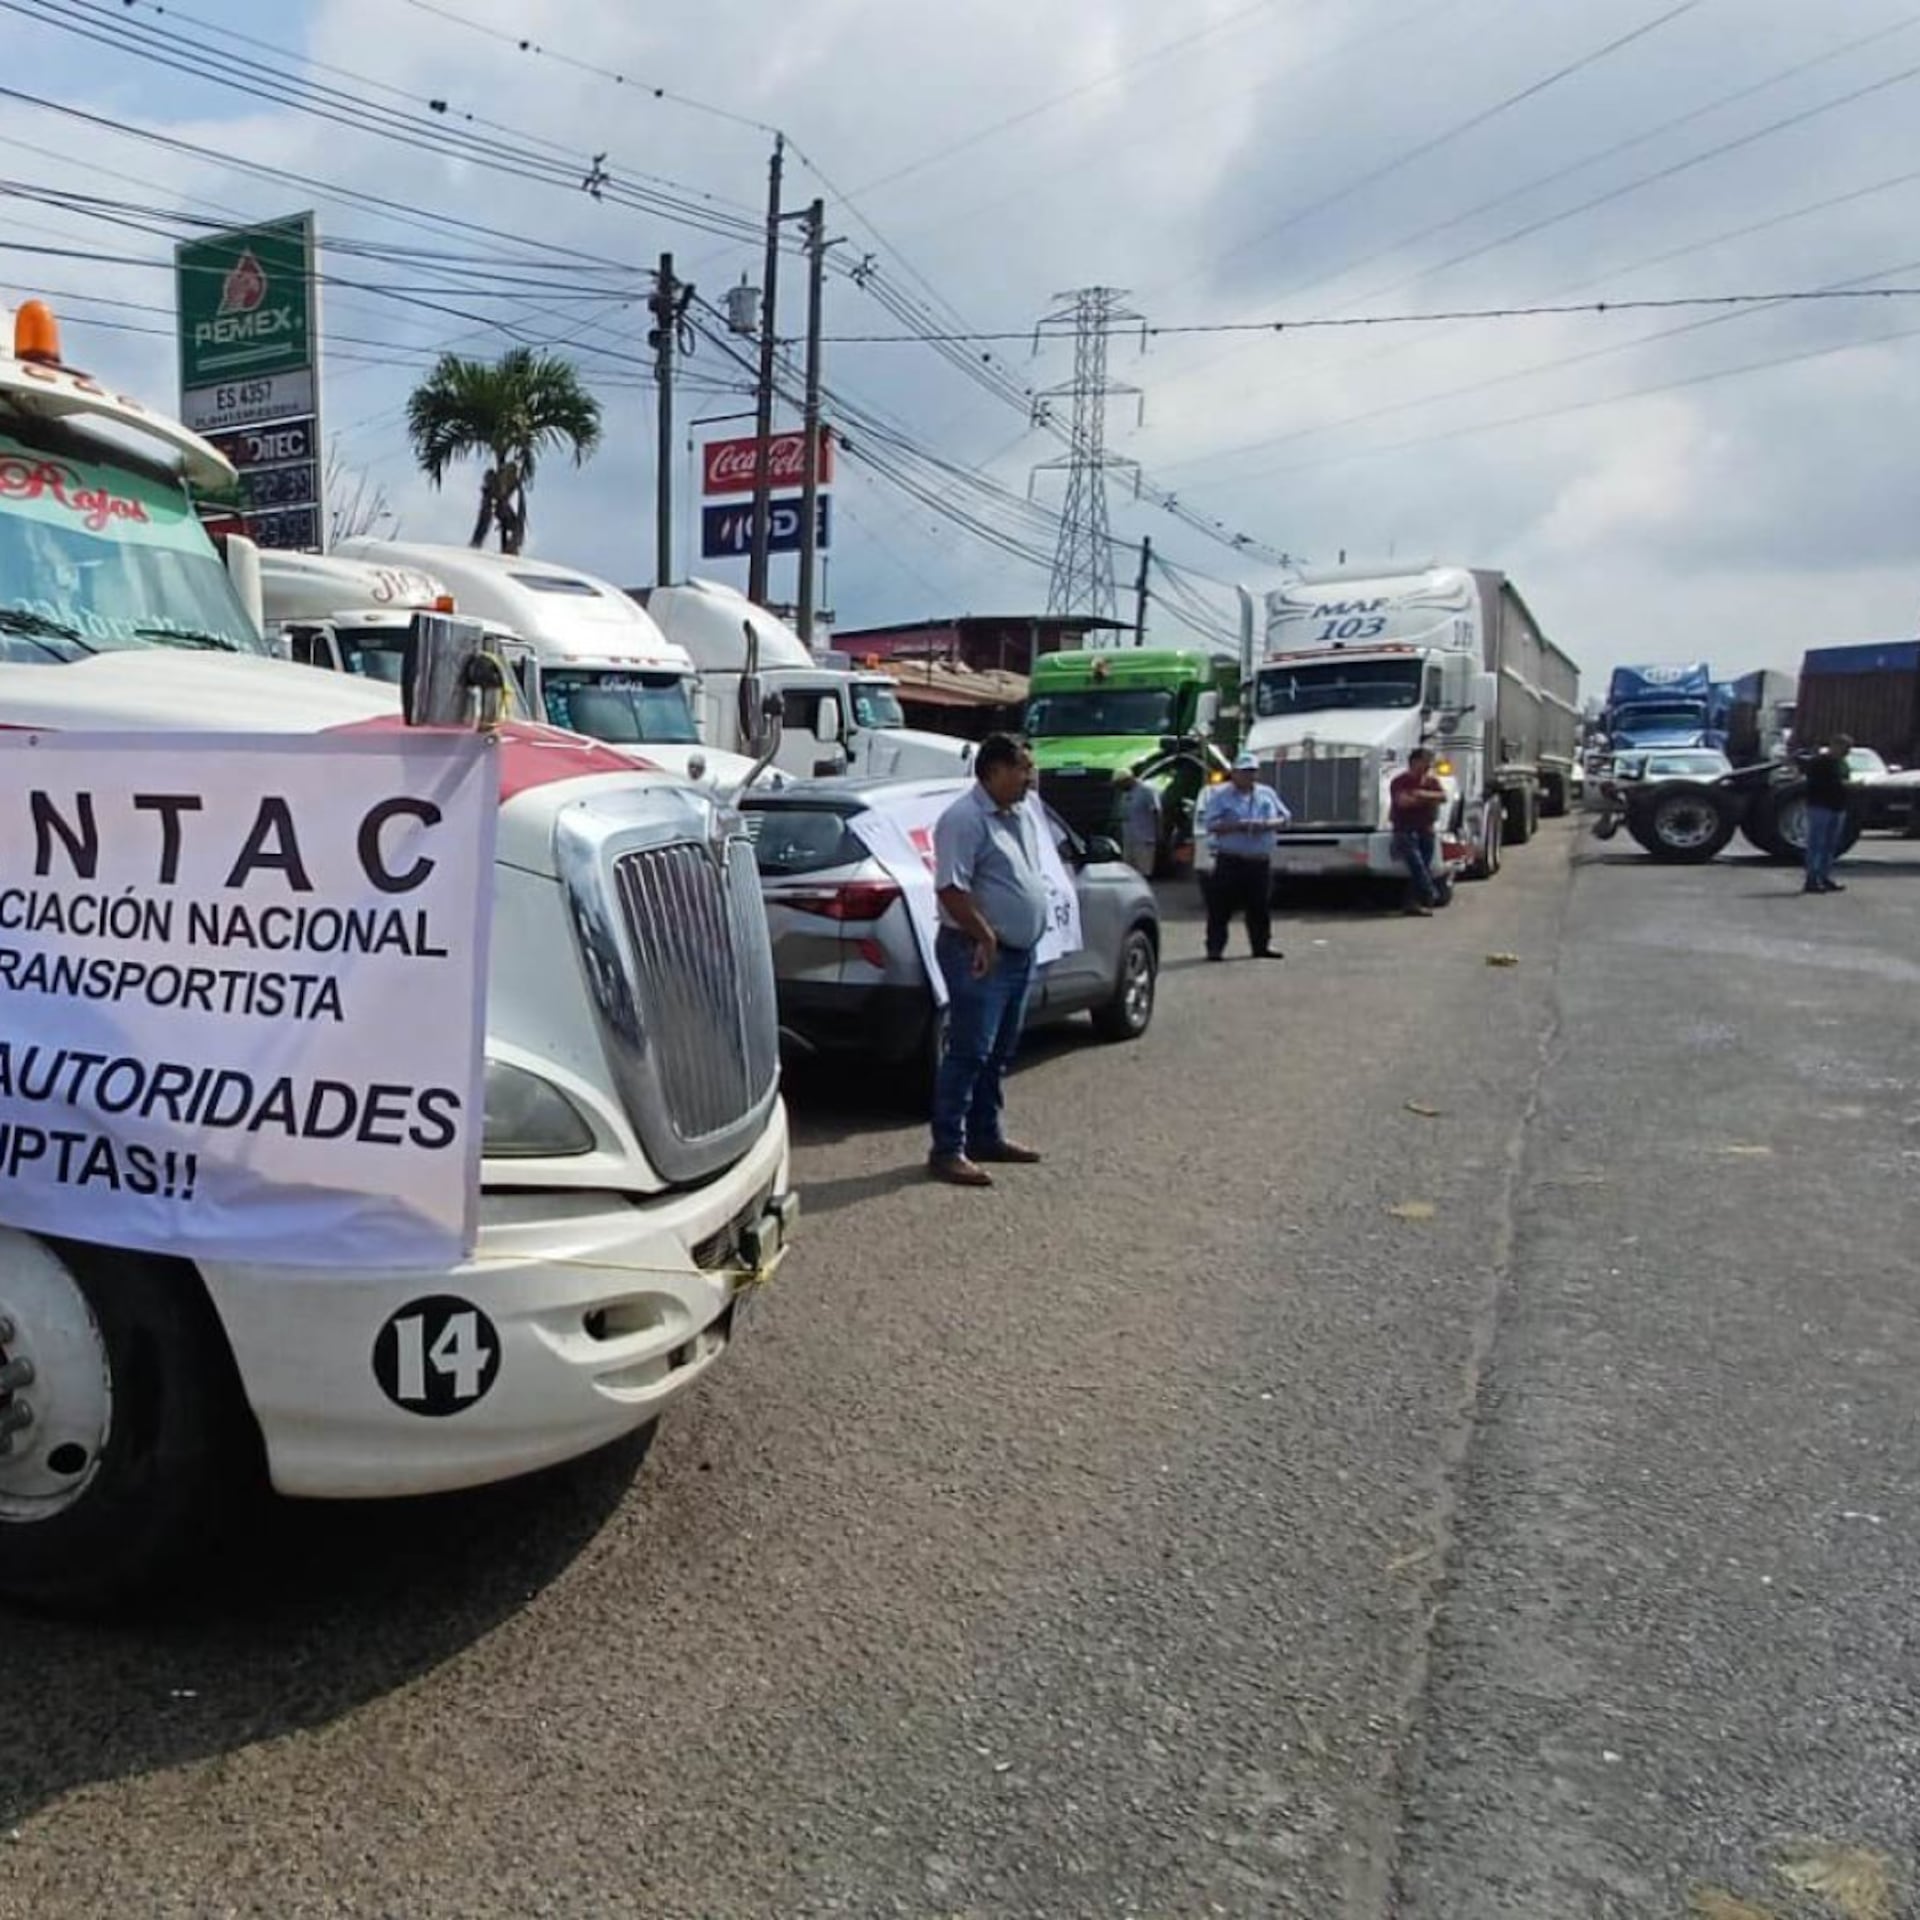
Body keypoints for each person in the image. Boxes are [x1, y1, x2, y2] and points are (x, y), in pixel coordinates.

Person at [928, 733, 1052, 1188]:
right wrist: (984, 936)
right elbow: (950, 888)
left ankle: (986, 1135)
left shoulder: (1017, 814)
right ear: (995, 770)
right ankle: (947, 1148)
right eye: (1022, 768)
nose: (1029, 777)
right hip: (975, 952)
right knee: (968, 1052)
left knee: (998, 1053)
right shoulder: (964, 819)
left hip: (1017, 953)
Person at [1201, 751, 1289, 961]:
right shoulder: (1220, 795)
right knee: (1220, 908)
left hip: (1258, 861)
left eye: (1252, 772)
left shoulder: (1266, 793)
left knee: (1259, 907)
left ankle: (1261, 946)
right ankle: (1215, 948)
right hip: (1231, 859)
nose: (1249, 776)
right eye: (1244, 772)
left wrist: (1266, 825)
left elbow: (1285, 818)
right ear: (1234, 773)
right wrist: (1237, 826)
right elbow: (1210, 825)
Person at [1389, 748, 1450, 917]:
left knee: (1423, 865)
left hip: (1426, 830)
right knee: (1417, 865)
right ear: (1414, 762)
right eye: (1425, 761)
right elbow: (1403, 803)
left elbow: (1443, 797)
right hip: (1405, 830)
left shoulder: (1431, 782)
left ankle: (1412, 903)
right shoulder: (1400, 781)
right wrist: (1430, 799)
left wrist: (1420, 794)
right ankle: (1431, 891)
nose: (1429, 765)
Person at [1799, 732, 1853, 894]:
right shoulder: (1818, 762)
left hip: (1838, 807)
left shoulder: (1843, 763)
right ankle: (1811, 879)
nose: (1846, 752)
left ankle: (1824, 877)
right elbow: (1817, 784)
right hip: (1819, 806)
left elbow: (1845, 779)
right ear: (1834, 745)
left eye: (1849, 749)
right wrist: (1842, 785)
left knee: (1830, 846)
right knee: (1816, 844)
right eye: (1844, 748)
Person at [1113, 771, 1161, 876]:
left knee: (1144, 871)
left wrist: (1159, 833)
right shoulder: (1124, 793)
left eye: (1120, 784)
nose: (1119, 787)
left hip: (1144, 838)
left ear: (1128, 780)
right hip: (1129, 838)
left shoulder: (1146, 791)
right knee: (1129, 871)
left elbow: (1156, 813)